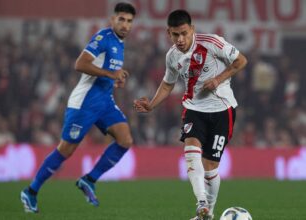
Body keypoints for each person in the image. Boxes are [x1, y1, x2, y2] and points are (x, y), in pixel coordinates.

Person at [20, 2, 136, 213]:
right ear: (113, 20)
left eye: (129, 21)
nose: (125, 24)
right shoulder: (103, 38)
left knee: (125, 139)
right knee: (66, 150)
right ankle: (31, 191)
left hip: (104, 101)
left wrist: (114, 79)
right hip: (84, 103)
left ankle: (89, 180)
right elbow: (80, 64)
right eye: (121, 19)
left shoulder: (120, 44)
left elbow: (105, 70)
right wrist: (111, 75)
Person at [133, 10, 247, 220]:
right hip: (194, 109)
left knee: (210, 166)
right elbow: (168, 84)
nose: (181, 39)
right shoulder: (172, 56)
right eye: (175, 35)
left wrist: (218, 79)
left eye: (184, 33)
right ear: (169, 33)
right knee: (190, 147)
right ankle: (201, 203)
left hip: (223, 111)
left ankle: (209, 212)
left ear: (192, 29)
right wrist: (151, 105)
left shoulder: (212, 42)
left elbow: (241, 61)